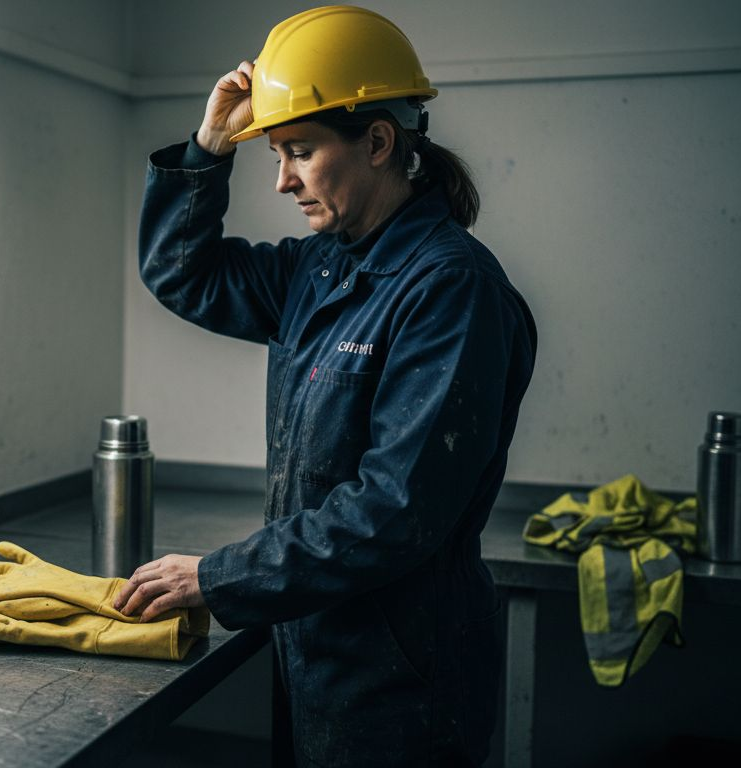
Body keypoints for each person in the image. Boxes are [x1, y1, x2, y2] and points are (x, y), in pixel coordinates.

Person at [111, 6, 538, 767]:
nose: (281, 181)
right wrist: (209, 147)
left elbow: (394, 509)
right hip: (314, 646)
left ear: (377, 142)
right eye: (276, 153)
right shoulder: (322, 265)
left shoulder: (450, 289)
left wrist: (218, 575)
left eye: (301, 151)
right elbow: (184, 274)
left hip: (399, 678)